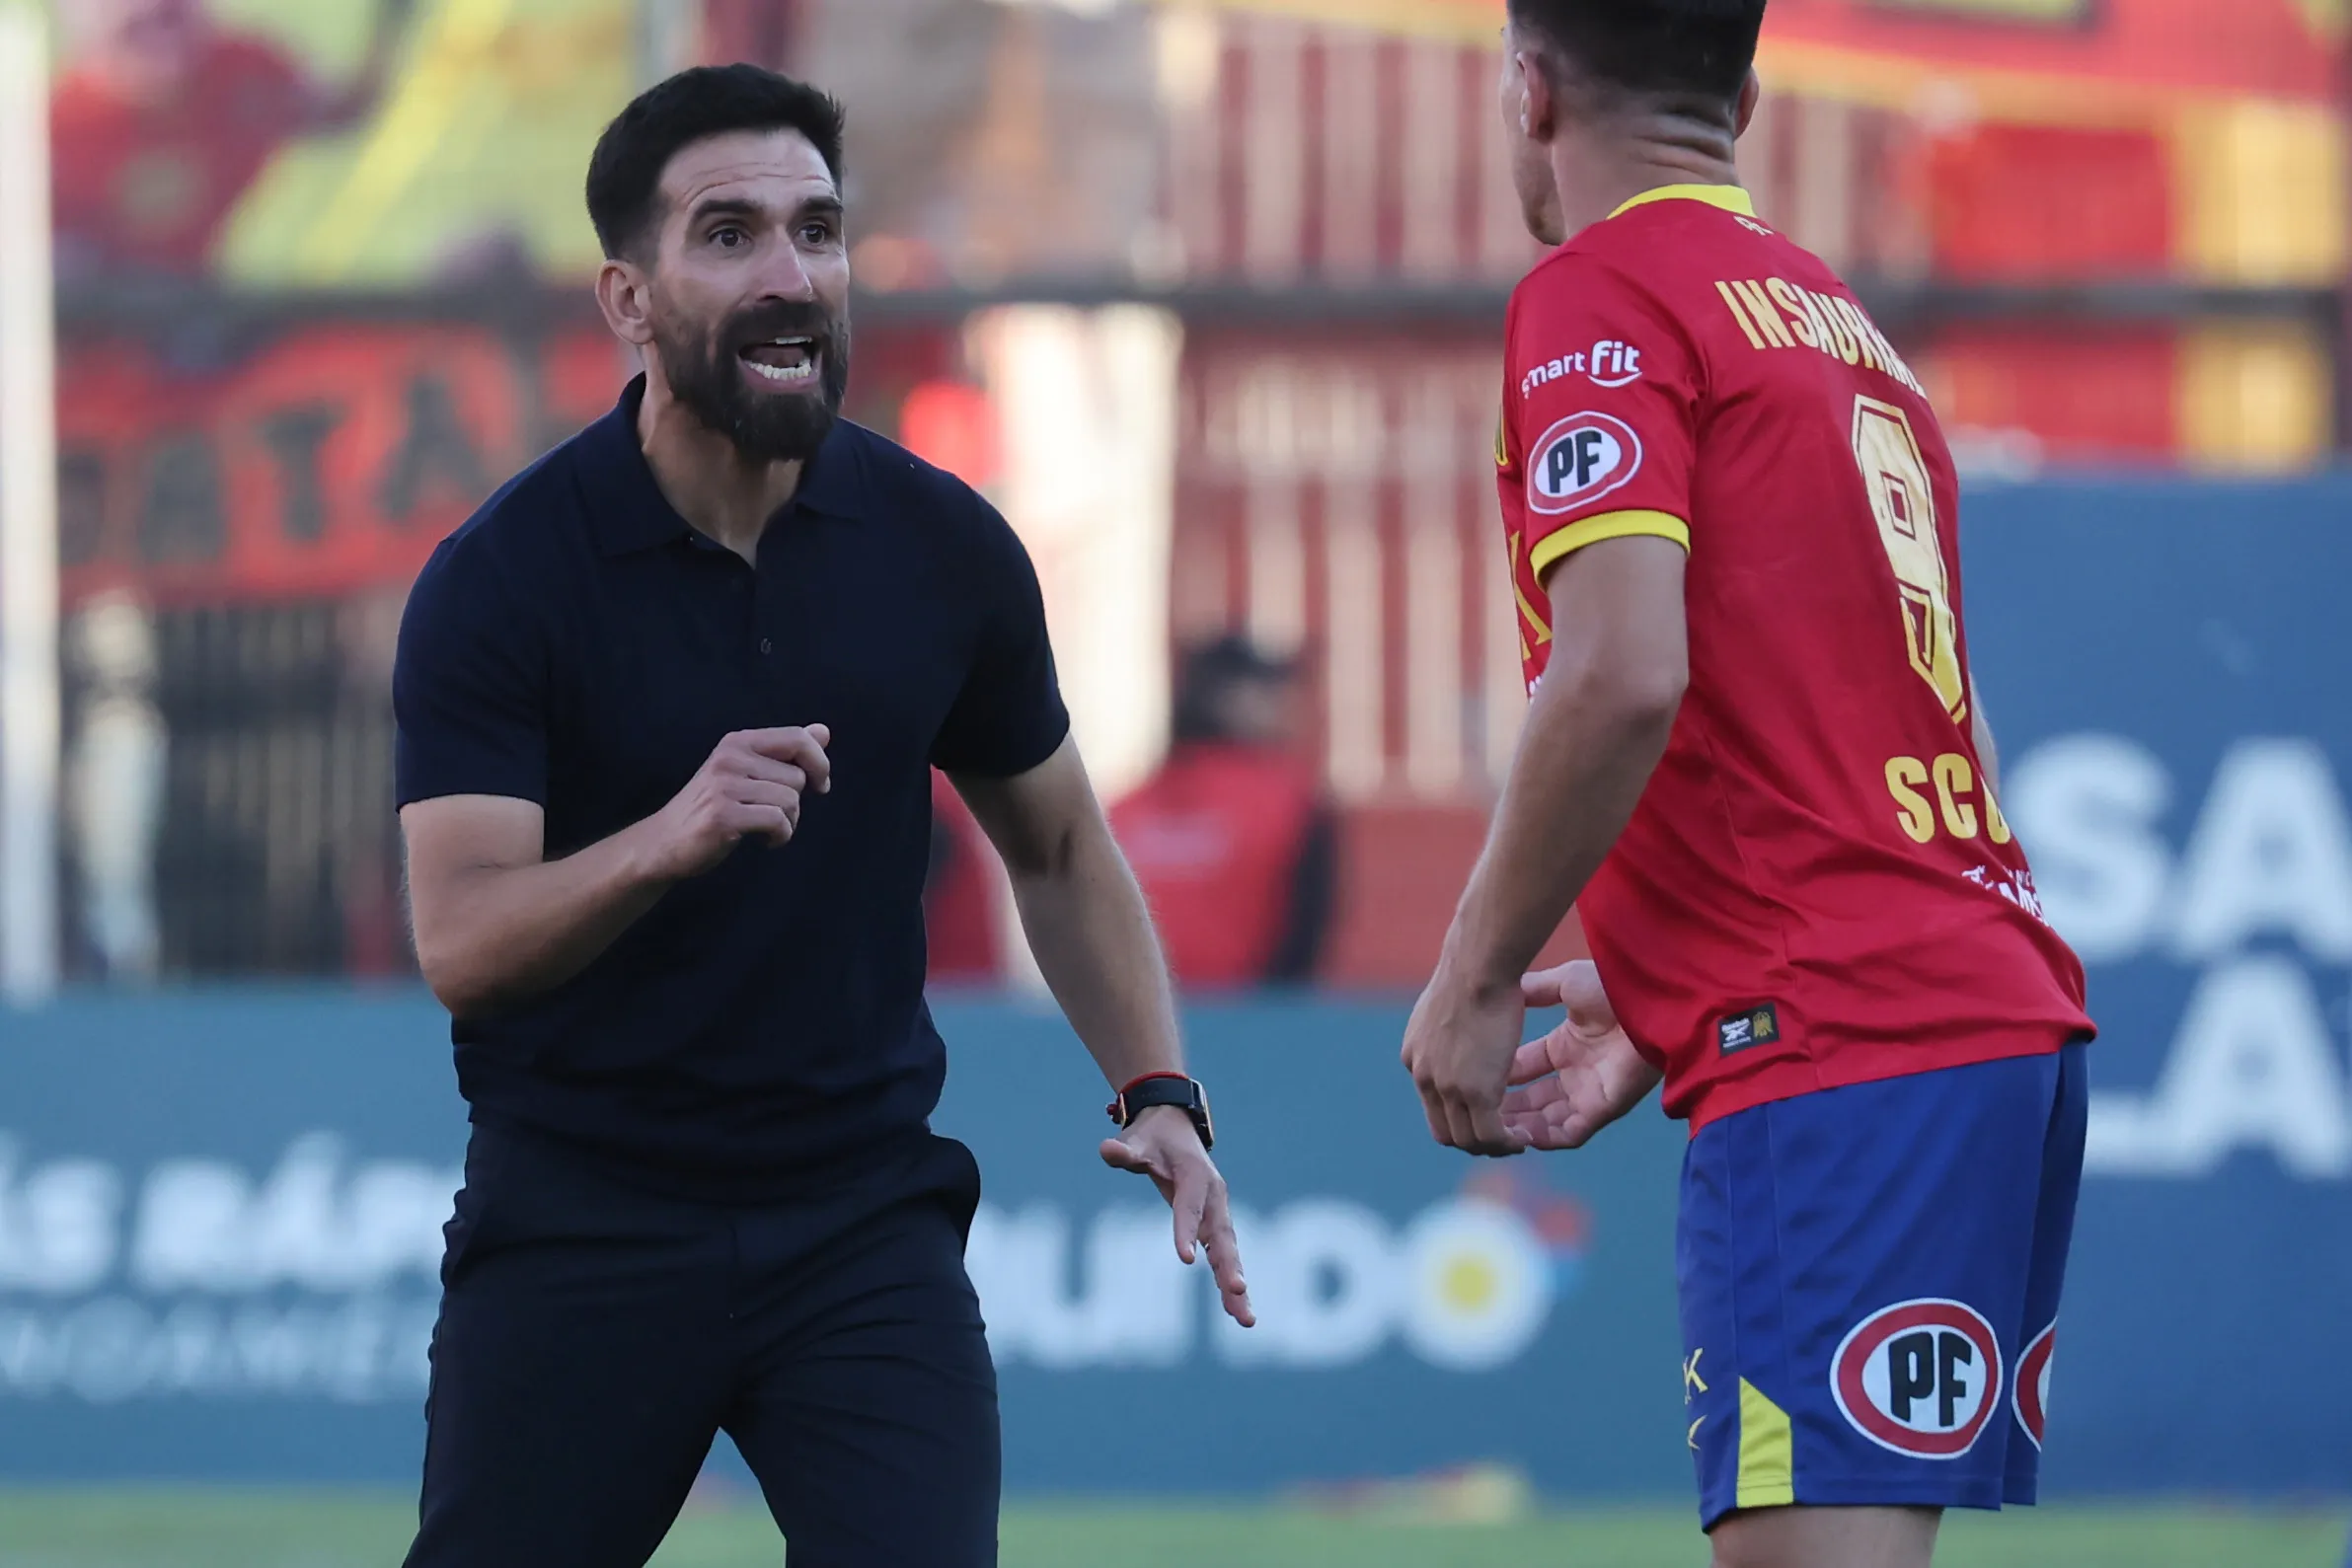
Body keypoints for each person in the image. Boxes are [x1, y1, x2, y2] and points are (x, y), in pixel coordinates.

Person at [392, 65, 1251, 1568]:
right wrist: (672, 832)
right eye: (727, 234)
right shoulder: (504, 578)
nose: (790, 275)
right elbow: (461, 937)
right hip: (584, 1223)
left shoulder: (941, 550)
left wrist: (1159, 1090)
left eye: (819, 230)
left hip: (858, 1229)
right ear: (628, 299)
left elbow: (1053, 843)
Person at [1398, 6, 2094, 1567]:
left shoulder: (1597, 292)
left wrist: (1473, 970)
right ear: (1746, 96)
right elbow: (1905, 720)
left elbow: (1618, 670)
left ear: (1524, 90)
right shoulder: (1834, 321)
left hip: (1837, 1045)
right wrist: (1666, 987)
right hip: (1981, 1017)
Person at [50, 0, 413, 279]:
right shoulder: (58, 128)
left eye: (172, 12)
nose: (149, 7)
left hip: (192, 298)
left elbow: (341, 114)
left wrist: (390, 33)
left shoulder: (242, 72)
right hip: (94, 313)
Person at [1110, 635, 1335, 988]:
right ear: (1228, 700)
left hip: (1130, 1025)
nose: (1284, 704)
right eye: (1268, 690)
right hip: (1249, 1026)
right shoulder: (1292, 804)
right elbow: (1304, 943)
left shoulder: (1118, 813)